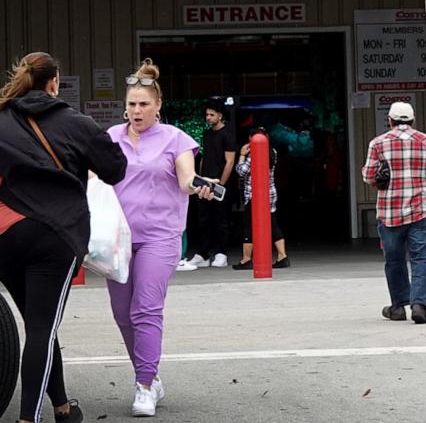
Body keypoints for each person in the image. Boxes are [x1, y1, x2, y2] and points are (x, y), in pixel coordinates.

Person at [0, 52, 127, 423]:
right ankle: (28, 419)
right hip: (53, 232)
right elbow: (115, 170)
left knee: (39, 326)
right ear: (55, 82)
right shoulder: (76, 123)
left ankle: (64, 408)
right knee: (41, 329)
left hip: (0, 233)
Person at [106, 59, 215, 418]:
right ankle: (148, 373)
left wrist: (198, 186)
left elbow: (186, 178)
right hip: (118, 239)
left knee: (145, 309)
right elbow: (93, 179)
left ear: (158, 106)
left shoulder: (176, 139)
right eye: (132, 104)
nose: (136, 110)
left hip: (159, 237)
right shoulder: (110, 138)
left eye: (144, 104)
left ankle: (145, 386)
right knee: (123, 314)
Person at [361, 101, 426, 325]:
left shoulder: (378, 143)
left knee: (394, 260)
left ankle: (398, 306)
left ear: (390, 120)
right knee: (420, 260)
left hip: (389, 213)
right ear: (413, 120)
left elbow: (369, 177)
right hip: (420, 211)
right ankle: (419, 305)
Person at [182, 96, 237, 270]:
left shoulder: (228, 133)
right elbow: (204, 157)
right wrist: (198, 175)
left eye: (211, 115)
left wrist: (222, 183)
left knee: (220, 219)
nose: (208, 118)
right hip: (204, 180)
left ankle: (221, 253)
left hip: (219, 183)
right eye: (207, 115)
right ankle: (203, 254)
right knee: (203, 218)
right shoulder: (207, 134)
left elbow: (230, 161)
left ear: (220, 115)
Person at [232, 129, 290, 269]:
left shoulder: (253, 155)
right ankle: (282, 255)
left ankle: (246, 259)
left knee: (248, 226)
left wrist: (241, 155)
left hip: (255, 195)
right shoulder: (273, 152)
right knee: (273, 224)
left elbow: (241, 171)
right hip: (270, 194)